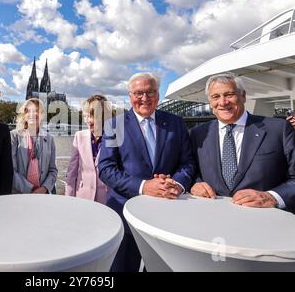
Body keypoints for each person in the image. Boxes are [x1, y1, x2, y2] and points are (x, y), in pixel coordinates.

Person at [98, 72, 195, 272]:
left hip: (169, 209)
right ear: (130, 96)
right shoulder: (114, 125)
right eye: (138, 93)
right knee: (123, 267)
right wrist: (144, 186)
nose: (145, 98)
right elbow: (106, 168)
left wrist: (175, 184)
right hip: (125, 210)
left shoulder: (176, 123)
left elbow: (188, 163)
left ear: (158, 95)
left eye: (150, 92)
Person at [190, 73, 295, 211]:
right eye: (216, 97)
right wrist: (195, 184)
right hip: (215, 218)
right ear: (210, 102)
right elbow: (190, 170)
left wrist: (272, 197)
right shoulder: (198, 134)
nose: (223, 102)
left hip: (267, 221)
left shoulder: (278, 129)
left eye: (229, 94)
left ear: (243, 96)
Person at [66, 95, 112, 204]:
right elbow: (72, 173)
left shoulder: (115, 138)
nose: (88, 120)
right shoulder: (79, 136)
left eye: (92, 116)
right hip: (82, 196)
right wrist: (68, 199)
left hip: (107, 199)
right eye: (86, 116)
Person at [11, 98, 58, 194]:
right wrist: (31, 190)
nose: (32, 114)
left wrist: (44, 188)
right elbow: (11, 170)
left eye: (36, 111)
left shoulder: (49, 139)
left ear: (42, 115)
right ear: (24, 115)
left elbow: (53, 170)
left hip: (42, 195)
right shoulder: (13, 136)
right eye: (29, 111)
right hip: (19, 194)